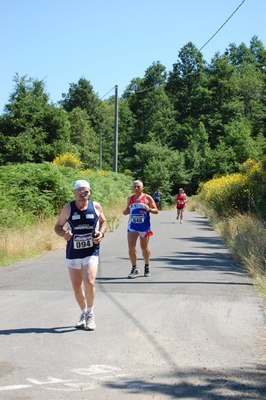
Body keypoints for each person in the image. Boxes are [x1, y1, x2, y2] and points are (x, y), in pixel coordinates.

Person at [54, 180, 107, 331]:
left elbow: (104, 222)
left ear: (89, 193)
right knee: (77, 286)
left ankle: (90, 313)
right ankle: (83, 312)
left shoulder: (95, 206)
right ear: (74, 192)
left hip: (91, 250)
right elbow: (57, 226)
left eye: (86, 192)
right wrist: (64, 234)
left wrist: (101, 233)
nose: (83, 195)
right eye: (80, 192)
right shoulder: (68, 208)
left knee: (89, 282)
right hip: (73, 252)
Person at [123, 180, 158, 279]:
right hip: (132, 226)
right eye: (134, 186)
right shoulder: (130, 198)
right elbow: (127, 209)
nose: (136, 188)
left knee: (144, 247)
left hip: (144, 226)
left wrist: (150, 209)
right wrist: (126, 211)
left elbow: (156, 210)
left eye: (138, 186)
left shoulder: (147, 197)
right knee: (131, 247)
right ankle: (134, 268)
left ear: (142, 188)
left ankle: (147, 266)